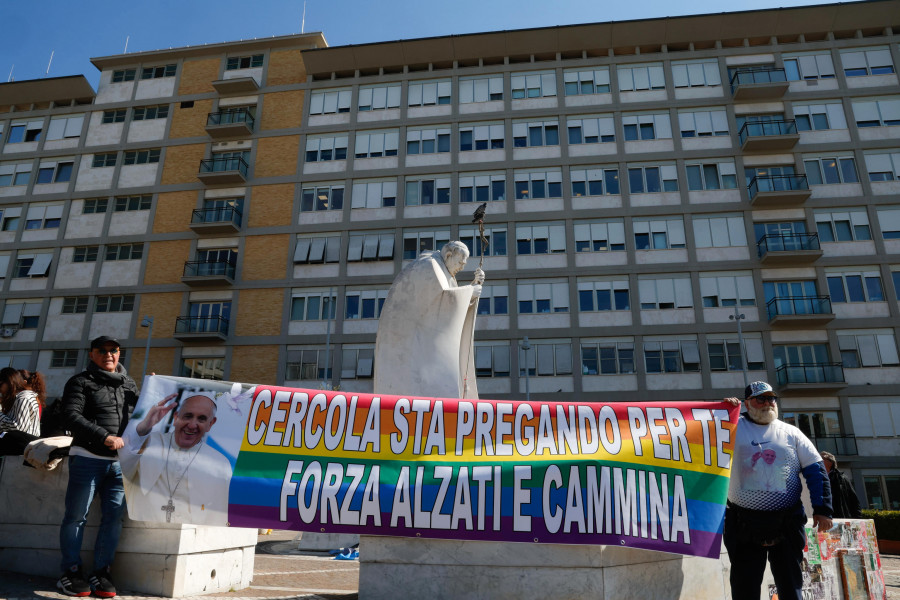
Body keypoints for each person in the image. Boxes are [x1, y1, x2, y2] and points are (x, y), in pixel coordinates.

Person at [723, 381, 833, 600]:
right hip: (743, 523)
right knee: (744, 588)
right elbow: (698, 434)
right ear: (747, 403)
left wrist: (823, 509)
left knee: (791, 587)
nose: (767, 403)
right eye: (760, 399)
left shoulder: (791, 432)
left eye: (771, 398)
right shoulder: (730, 427)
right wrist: (721, 412)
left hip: (787, 523)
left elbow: (816, 471)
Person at [57, 336, 138, 598]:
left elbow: (142, 417)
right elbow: (70, 415)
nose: (108, 355)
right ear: (92, 354)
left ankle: (101, 572)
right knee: (76, 517)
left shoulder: (130, 384)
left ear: (119, 353)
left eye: (113, 350)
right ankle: (70, 572)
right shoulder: (80, 381)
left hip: (120, 465)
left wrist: (154, 391)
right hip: (87, 458)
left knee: (113, 520)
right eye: (101, 351)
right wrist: (103, 436)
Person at [374, 241, 485, 400]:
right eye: (460, 262)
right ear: (448, 255)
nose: (462, 267)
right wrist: (470, 291)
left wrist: (472, 288)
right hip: (408, 347)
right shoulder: (428, 266)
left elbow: (448, 301)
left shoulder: (444, 271)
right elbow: (439, 302)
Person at [120, 392, 232, 526]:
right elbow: (123, 467)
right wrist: (143, 428)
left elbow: (217, 514)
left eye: (201, 419)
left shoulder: (220, 463)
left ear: (210, 424)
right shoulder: (148, 441)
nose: (192, 425)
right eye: (188, 416)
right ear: (176, 417)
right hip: (143, 530)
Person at [0, 367, 42, 436]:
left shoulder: (24, 397)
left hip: (24, 445)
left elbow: (19, 428)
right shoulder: (17, 398)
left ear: (9, 382)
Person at [820, 451, 862, 519]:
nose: (818, 461)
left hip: (839, 519)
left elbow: (854, 501)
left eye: (821, 459)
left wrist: (857, 520)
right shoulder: (816, 478)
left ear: (830, 463)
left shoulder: (842, 479)